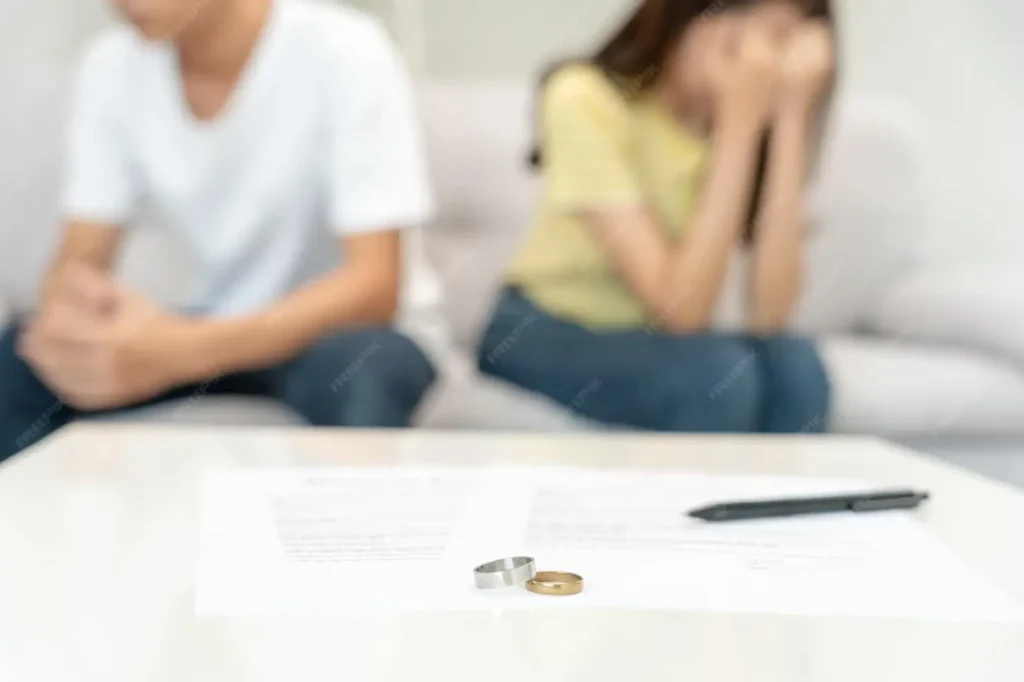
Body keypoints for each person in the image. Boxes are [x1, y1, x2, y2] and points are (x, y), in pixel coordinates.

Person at [0, 0, 442, 464]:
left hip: (341, 334)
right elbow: (76, 265)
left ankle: (351, 536)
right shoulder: (111, 65)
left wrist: (176, 349)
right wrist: (80, 319)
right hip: (213, 321)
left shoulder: (348, 51)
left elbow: (374, 289)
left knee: (363, 371)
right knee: (19, 359)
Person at [478, 0, 836, 433]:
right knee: (715, 378)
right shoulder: (584, 96)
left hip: (655, 342)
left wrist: (791, 119)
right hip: (544, 330)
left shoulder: (753, 120)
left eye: (781, 45)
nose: (759, 67)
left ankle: (783, 501)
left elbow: (771, 317)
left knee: (799, 370)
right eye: (740, 37)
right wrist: (737, 126)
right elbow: (683, 311)